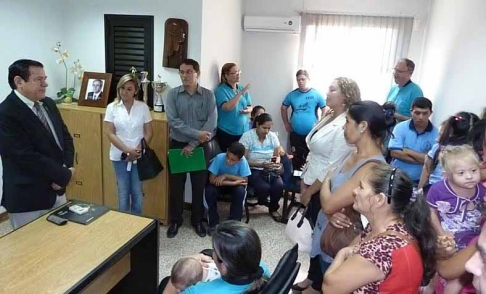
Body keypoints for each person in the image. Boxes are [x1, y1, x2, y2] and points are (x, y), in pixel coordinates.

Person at [306, 101, 391, 294]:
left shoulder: (372, 166)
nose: (344, 127)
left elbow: (328, 203)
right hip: (328, 229)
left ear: (362, 126)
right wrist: (329, 212)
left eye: (348, 122)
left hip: (342, 238)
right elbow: (331, 206)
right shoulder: (353, 154)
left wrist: (327, 179)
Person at [291, 77, 361, 292]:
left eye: (332, 90)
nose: (327, 93)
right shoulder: (330, 115)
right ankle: (313, 277)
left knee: (324, 237)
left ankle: (322, 283)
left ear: (345, 96)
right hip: (310, 179)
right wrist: (304, 182)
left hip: (326, 188)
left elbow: (332, 167)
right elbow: (313, 150)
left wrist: (309, 191)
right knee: (314, 233)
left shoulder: (345, 126)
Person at [322, 164, 436, 293]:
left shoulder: (381, 249)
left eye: (361, 187)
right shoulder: (387, 227)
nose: (355, 191)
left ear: (379, 199)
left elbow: (330, 288)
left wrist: (342, 252)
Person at [0, 59, 75, 229]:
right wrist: (62, 175)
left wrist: (67, 168)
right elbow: (25, 156)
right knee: (32, 252)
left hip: (58, 190)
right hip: (28, 198)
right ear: (19, 82)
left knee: (63, 245)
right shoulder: (5, 113)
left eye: (45, 78)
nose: (45, 84)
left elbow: (65, 138)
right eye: (38, 80)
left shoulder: (47, 103)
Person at [165, 59, 217, 238]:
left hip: (200, 147)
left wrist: (193, 143)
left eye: (188, 71)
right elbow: (173, 121)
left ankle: (197, 221)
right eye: (181, 72)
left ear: (197, 73)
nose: (184, 75)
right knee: (176, 187)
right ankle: (175, 221)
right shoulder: (172, 94)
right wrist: (195, 135)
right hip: (178, 146)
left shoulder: (208, 95)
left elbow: (211, 123)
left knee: (198, 186)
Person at [426, 145, 485, 292]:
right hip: (448, 237)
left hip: (472, 239)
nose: (469, 176)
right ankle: (431, 286)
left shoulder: (482, 190)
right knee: (440, 265)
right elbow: (431, 211)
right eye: (461, 173)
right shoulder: (438, 189)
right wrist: (440, 233)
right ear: (448, 175)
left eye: (473, 170)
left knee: (459, 277)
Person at [163, 221, 271, 294]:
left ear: (224, 266)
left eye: (214, 250)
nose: (212, 252)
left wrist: (192, 258)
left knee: (166, 281)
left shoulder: (198, 291)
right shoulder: (263, 268)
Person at [104, 74, 153, 214]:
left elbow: (149, 132)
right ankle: (123, 226)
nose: (125, 92)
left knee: (137, 192)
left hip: (139, 156)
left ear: (136, 91)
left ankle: (136, 226)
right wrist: (127, 151)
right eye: (122, 88)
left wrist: (137, 151)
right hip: (119, 156)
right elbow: (110, 133)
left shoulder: (143, 107)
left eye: (129, 89)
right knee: (123, 192)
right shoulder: (111, 108)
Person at [418, 112, 479, 191]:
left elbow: (426, 168)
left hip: (430, 190)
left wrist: (419, 190)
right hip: (445, 195)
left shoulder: (439, 147)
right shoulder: (468, 154)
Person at [239, 113, 283, 222]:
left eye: (269, 128)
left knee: (279, 185)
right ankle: (263, 201)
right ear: (257, 124)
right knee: (264, 187)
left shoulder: (272, 136)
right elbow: (242, 160)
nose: (267, 131)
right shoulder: (247, 136)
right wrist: (261, 164)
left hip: (270, 169)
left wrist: (276, 162)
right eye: (264, 128)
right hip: (253, 169)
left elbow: (277, 156)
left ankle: (273, 208)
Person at [281, 69, 326, 170]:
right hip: (295, 133)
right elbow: (283, 107)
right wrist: (286, 124)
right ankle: (296, 177)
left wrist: (321, 124)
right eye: (298, 80)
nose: (300, 82)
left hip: (311, 133)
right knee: (296, 156)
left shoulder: (316, 94)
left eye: (303, 79)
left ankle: (306, 178)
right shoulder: (292, 95)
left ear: (308, 79)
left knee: (310, 156)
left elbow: (325, 109)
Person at [389, 97, 439, 184]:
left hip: (421, 181)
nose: (421, 117)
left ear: (430, 113)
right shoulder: (400, 127)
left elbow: (434, 161)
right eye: (417, 113)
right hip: (397, 178)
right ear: (411, 111)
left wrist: (408, 151)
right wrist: (424, 160)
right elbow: (394, 153)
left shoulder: (437, 133)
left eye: (425, 113)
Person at [204, 142, 251, 231]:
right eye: (227, 157)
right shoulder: (219, 158)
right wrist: (233, 182)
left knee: (240, 191)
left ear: (239, 160)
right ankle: (213, 223)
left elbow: (245, 181)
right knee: (209, 190)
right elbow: (212, 180)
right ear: (226, 152)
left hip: (234, 186)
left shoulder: (243, 161)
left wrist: (226, 175)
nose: (228, 161)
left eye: (233, 160)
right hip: (220, 185)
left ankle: (234, 223)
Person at [214, 63, 252, 152]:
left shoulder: (241, 88)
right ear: (226, 75)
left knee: (242, 157)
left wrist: (247, 110)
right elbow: (227, 107)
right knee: (229, 158)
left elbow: (250, 106)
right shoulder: (221, 90)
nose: (238, 74)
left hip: (243, 131)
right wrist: (240, 93)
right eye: (235, 73)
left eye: (239, 71)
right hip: (227, 132)